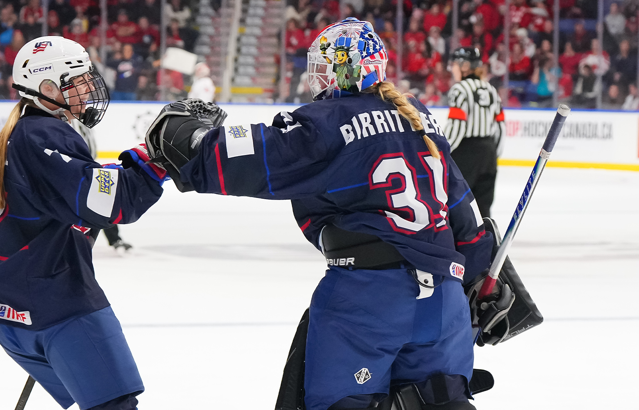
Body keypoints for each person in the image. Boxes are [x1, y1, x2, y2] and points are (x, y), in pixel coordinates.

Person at [144, 18, 496, 410]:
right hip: (445, 306)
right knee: (442, 402)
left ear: (343, 69)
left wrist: (192, 140)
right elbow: (465, 212)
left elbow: (254, 156)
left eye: (322, 66)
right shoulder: (418, 114)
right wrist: (483, 280)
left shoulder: (328, 122)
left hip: (368, 300)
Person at [0, 36, 165, 410]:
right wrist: (155, 162)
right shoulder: (43, 135)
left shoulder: (26, 132)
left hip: (15, 306)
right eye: (76, 81)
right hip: (57, 303)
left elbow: (77, 194)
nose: (88, 88)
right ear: (46, 87)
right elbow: (111, 203)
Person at [443, 47, 505, 219]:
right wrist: (493, 154)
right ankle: (487, 240)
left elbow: (457, 126)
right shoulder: (491, 89)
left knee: (459, 202)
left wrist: (441, 150)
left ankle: (460, 242)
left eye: (454, 64)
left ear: (464, 65)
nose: (452, 68)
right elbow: (501, 127)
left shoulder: (460, 89)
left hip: (466, 152)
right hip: (489, 152)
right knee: (483, 204)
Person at [71, 118, 135, 253]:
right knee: (100, 201)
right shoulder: (67, 121)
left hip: (86, 166)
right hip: (76, 168)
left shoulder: (83, 121)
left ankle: (114, 239)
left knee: (103, 200)